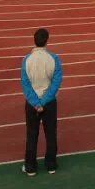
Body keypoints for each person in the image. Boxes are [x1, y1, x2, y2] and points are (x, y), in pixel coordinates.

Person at [20, 28, 63, 176]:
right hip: (49, 103)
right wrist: (44, 101)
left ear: (34, 40)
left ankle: (30, 167)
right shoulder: (53, 59)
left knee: (32, 134)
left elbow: (25, 84)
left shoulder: (27, 60)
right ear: (47, 40)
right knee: (50, 134)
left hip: (32, 104)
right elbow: (56, 82)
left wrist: (36, 103)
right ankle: (51, 165)